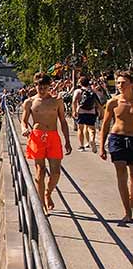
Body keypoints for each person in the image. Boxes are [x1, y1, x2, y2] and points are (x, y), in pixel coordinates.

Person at [21, 72, 72, 212]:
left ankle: (48, 193)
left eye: (44, 87)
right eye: (39, 86)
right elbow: (23, 121)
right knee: (40, 170)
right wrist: (24, 129)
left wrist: (67, 140)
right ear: (35, 86)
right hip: (37, 137)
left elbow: (63, 121)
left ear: (49, 86)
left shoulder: (57, 101)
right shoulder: (30, 102)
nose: (41, 89)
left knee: (56, 172)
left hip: (53, 136)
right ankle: (42, 204)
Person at [98, 71, 133, 226]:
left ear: (131, 84)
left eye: (123, 82)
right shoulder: (113, 102)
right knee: (121, 174)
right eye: (118, 83)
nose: (120, 85)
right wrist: (101, 147)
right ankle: (127, 212)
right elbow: (105, 125)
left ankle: (130, 201)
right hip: (116, 139)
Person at [72, 76, 102, 151]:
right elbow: (98, 103)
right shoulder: (92, 91)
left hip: (81, 112)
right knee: (91, 129)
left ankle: (82, 146)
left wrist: (74, 111)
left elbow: (74, 101)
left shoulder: (78, 91)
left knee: (80, 129)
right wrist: (101, 112)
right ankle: (92, 140)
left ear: (80, 83)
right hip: (91, 112)